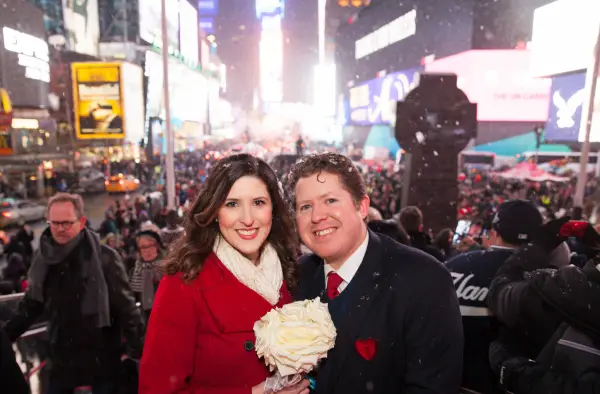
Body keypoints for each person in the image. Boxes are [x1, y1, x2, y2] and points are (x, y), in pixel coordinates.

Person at [289, 153, 463, 394]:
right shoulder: (297, 276)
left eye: (330, 201)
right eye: (305, 206)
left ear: (362, 207)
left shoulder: (423, 279)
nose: (317, 216)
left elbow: (433, 386)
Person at [139, 154, 310, 394]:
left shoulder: (291, 268)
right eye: (232, 204)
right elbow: (156, 389)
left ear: (274, 209)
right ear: (214, 211)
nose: (248, 219)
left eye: (259, 202)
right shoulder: (184, 282)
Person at [3, 193, 145, 394]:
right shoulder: (43, 260)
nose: (60, 229)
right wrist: (6, 335)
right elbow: (32, 304)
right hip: (61, 364)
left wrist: (137, 353)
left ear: (82, 222)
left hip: (102, 363)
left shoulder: (105, 259)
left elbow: (127, 309)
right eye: (55, 223)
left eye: (67, 223)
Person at [445, 199, 545, 393]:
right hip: (507, 385)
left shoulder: (455, 266)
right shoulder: (548, 278)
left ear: (494, 233)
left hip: (450, 382)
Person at [130, 224, 164, 322]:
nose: (147, 251)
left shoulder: (166, 267)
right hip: (144, 316)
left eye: (150, 246)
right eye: (143, 247)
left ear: (157, 246)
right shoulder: (137, 267)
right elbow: (135, 293)